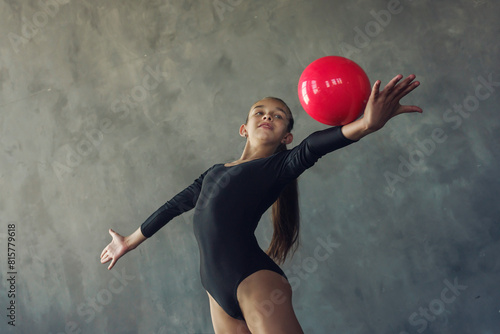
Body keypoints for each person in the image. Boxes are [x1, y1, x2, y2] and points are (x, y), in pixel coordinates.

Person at [100, 74, 422, 333]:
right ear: (244, 128)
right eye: (260, 111)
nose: (268, 115)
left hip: (254, 280)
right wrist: (129, 241)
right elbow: (174, 205)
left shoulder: (277, 168)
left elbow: (313, 147)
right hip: (215, 289)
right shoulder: (213, 173)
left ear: (286, 137)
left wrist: (365, 124)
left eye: (278, 115)